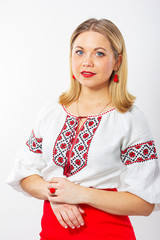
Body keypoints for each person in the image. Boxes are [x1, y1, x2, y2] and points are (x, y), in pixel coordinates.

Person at [7, 18, 160, 240]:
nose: (87, 62)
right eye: (79, 52)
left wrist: (80, 194)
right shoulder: (52, 111)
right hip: (53, 232)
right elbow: (24, 175)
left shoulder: (129, 117)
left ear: (117, 61)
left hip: (108, 233)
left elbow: (146, 202)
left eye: (99, 53)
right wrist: (56, 195)